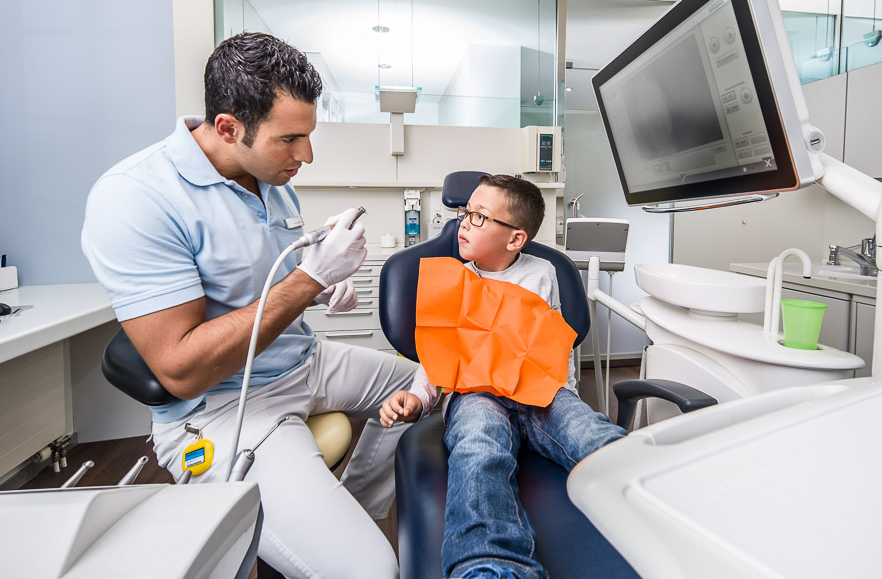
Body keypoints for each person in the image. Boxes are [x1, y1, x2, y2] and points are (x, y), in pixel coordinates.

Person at [82, 32, 419, 579]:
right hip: (224, 405)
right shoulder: (134, 198)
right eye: (290, 139)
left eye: (308, 136)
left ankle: (345, 512)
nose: (305, 156)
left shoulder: (271, 175)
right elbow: (182, 369)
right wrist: (310, 279)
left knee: (425, 388)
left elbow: (265, 281)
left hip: (304, 362)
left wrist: (319, 279)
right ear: (227, 128)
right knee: (371, 571)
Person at [378, 174, 628, 579]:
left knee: (591, 433)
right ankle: (489, 563)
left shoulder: (542, 273)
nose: (464, 223)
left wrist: (564, 399)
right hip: (476, 393)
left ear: (515, 240)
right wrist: (418, 398)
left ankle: (669, 506)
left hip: (540, 393)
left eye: (479, 217)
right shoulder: (450, 282)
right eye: (465, 213)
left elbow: (550, 350)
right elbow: (438, 358)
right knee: (479, 448)